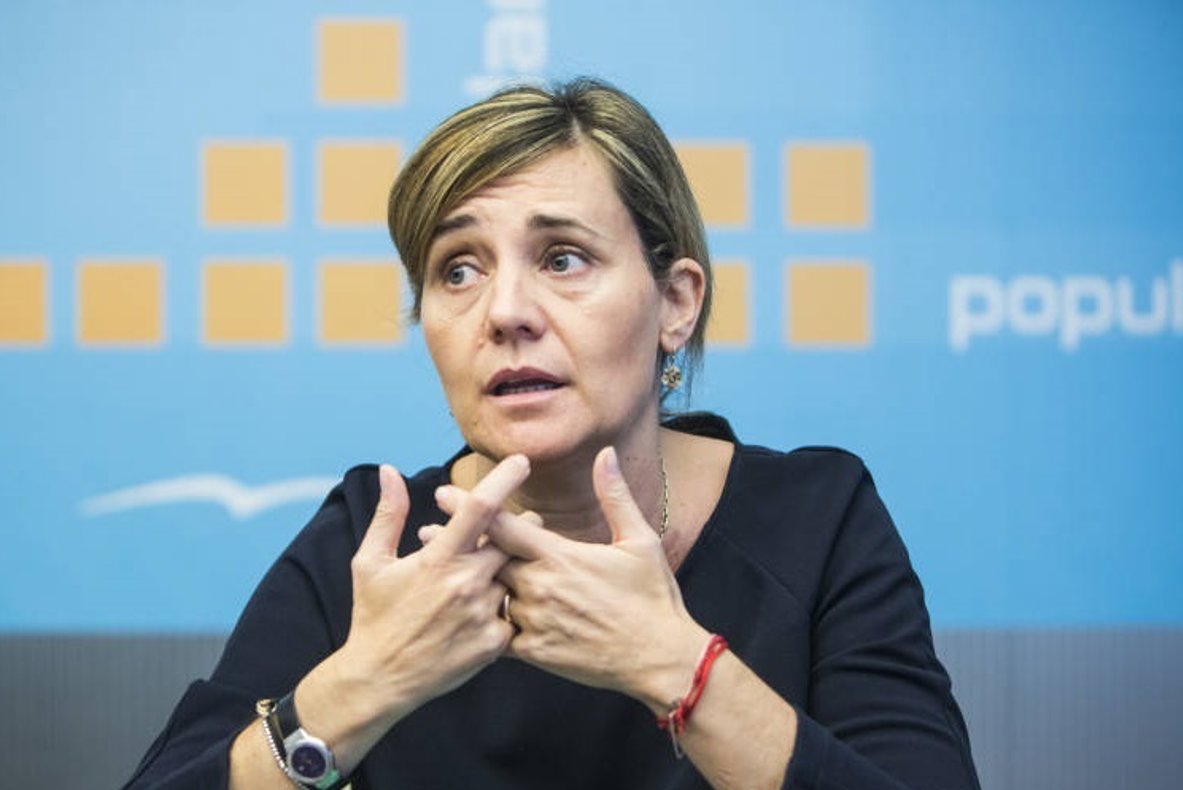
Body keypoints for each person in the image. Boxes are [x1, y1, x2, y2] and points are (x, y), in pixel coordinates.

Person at [125, 77, 980, 790]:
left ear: (676, 303)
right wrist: (359, 686)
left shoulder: (814, 520)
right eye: (458, 269)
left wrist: (674, 665)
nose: (504, 312)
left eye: (563, 258)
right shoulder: (371, 542)